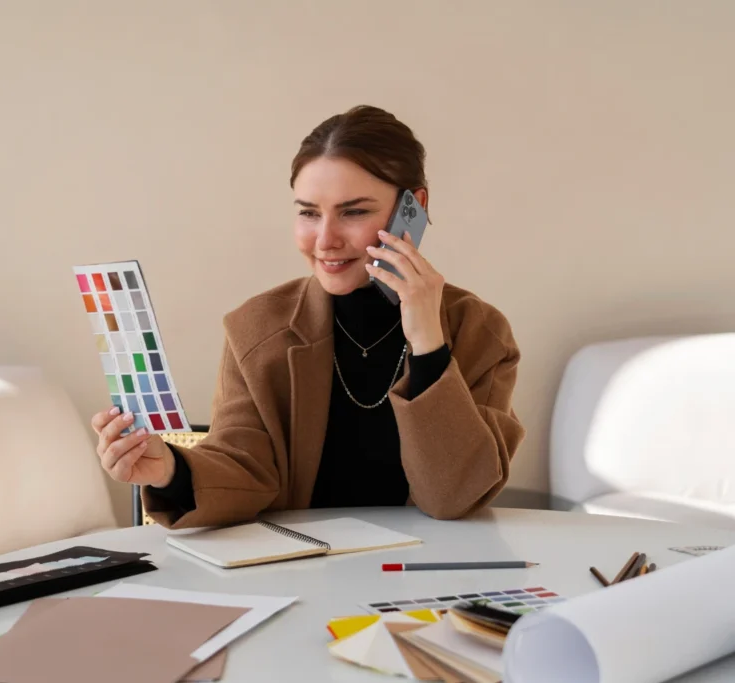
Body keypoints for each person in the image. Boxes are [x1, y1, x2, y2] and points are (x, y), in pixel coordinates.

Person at [90, 104, 525, 529]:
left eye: (354, 212)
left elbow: (454, 497)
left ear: (413, 207)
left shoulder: (479, 331)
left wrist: (429, 345)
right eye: (309, 213)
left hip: (432, 567)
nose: (325, 240)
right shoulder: (255, 328)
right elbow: (244, 467)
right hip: (304, 566)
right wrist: (169, 470)